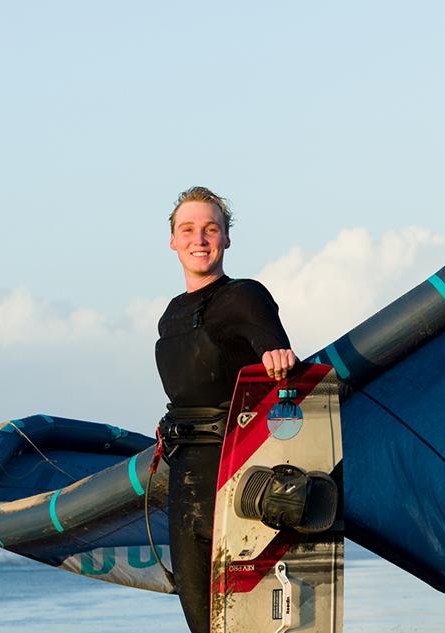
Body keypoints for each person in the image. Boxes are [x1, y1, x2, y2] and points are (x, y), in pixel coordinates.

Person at [155, 186, 296, 633]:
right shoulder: (171, 315)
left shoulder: (244, 296)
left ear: (226, 239)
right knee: (202, 623)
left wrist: (276, 356)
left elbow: (270, 342)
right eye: (188, 230)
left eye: (211, 229)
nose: (200, 239)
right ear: (173, 242)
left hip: (237, 479)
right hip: (185, 481)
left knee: (248, 621)